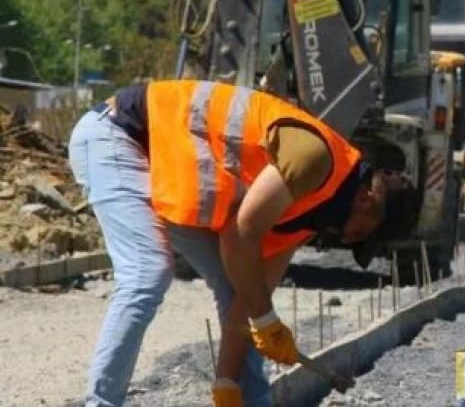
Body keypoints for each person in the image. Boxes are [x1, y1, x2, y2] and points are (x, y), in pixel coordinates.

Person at [67, 79, 420, 407]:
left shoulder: (307, 215)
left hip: (163, 167)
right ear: (366, 200)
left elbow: (248, 297)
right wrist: (266, 319)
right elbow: (241, 233)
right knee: (148, 271)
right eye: (362, 233)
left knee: (242, 291)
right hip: (120, 135)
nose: (349, 239)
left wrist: (226, 384)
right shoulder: (313, 158)